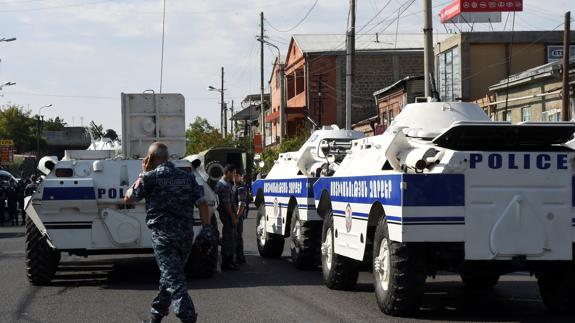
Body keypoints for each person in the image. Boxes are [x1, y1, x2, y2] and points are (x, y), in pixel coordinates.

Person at [124, 142, 211, 323]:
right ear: (168, 156)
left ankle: (188, 318)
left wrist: (142, 173)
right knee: (170, 277)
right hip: (185, 237)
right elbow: (202, 203)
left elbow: (128, 198)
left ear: (150, 159)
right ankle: (156, 316)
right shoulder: (186, 177)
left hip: (164, 239)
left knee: (176, 282)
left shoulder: (150, 178)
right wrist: (207, 229)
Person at [215, 164, 239, 271]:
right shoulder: (223, 185)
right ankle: (227, 262)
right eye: (233, 173)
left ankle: (229, 261)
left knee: (230, 238)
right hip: (227, 215)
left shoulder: (225, 183)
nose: (234, 175)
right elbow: (226, 204)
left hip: (228, 215)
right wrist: (233, 217)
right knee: (228, 239)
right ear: (227, 172)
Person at [234, 172, 247, 264]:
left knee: (238, 236)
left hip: (238, 216)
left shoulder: (241, 188)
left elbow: (241, 203)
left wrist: (237, 217)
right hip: (237, 215)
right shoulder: (235, 186)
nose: (235, 177)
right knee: (236, 236)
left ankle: (240, 256)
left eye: (237, 175)